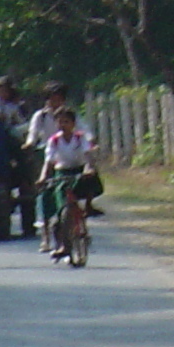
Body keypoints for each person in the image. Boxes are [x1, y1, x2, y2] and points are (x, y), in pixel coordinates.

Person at [37, 108, 99, 252]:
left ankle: (88, 206)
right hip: (62, 171)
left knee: (90, 181)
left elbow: (87, 155)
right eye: (59, 122)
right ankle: (62, 244)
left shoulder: (80, 138)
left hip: (79, 169)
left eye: (66, 122)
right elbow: (49, 162)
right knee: (59, 206)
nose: (63, 125)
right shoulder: (54, 141)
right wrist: (42, 177)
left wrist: (88, 168)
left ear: (73, 124)